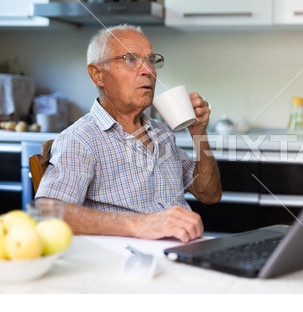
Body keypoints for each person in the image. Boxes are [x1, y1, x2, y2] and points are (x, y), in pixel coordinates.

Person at [36, 24, 222, 243]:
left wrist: (199, 133)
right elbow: (47, 212)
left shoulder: (161, 132)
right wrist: (140, 223)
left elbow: (209, 194)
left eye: (151, 61)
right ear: (98, 75)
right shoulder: (80, 139)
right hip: (124, 264)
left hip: (182, 252)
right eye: (130, 59)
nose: (149, 71)